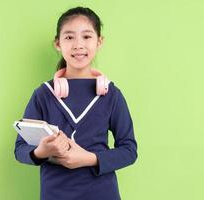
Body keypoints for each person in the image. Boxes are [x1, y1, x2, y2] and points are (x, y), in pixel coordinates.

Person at [14, 6, 137, 200]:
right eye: (69, 37)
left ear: (99, 42)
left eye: (86, 37)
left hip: (102, 193)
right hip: (55, 194)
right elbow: (20, 149)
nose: (78, 45)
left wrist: (89, 158)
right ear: (58, 44)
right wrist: (41, 152)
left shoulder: (111, 95)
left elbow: (129, 151)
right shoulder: (43, 95)